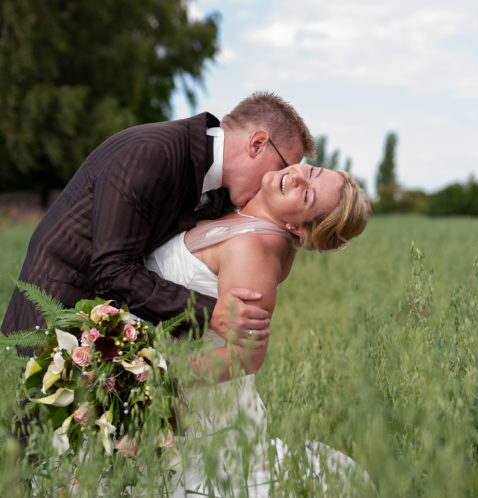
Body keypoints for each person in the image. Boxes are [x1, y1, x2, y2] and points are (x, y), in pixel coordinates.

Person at [1, 92, 315, 347]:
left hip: (113, 337)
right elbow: (111, 270)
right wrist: (208, 313)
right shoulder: (151, 157)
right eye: (284, 167)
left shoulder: (217, 189)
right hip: (53, 312)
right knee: (33, 425)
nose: (276, 182)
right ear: (257, 143)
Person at [143, 163, 372, 494]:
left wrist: (157, 378)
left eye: (306, 194)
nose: (296, 177)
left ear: (296, 226)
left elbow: (246, 356)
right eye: (312, 170)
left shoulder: (256, 250)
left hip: (190, 403)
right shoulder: (239, 216)